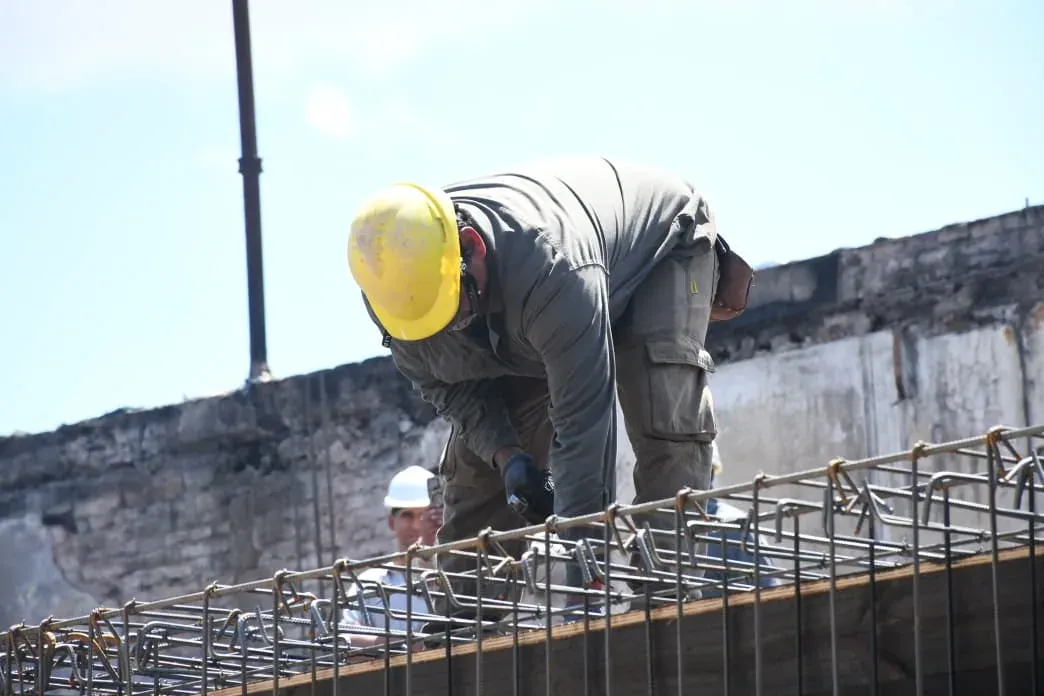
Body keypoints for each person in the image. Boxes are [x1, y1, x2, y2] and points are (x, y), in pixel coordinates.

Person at [346, 156, 753, 605]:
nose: (456, 324)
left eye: (458, 305)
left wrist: (584, 572)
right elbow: (454, 391)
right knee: (478, 473)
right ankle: (464, 622)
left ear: (472, 246)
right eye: (439, 321)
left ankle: (662, 590)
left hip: (658, 248)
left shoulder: (555, 269)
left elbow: (585, 427)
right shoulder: (398, 294)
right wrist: (509, 457)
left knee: (662, 411)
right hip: (531, 311)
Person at [338, 465, 444, 648]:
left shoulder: (451, 575)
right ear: (390, 521)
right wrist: (394, 643)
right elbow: (344, 640)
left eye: (424, 515)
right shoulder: (369, 583)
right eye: (407, 515)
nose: (417, 525)